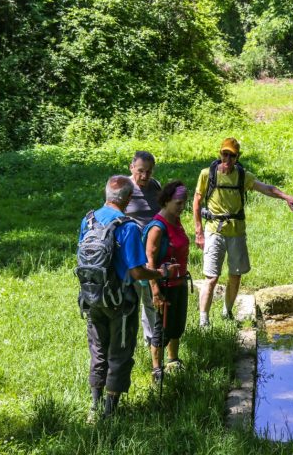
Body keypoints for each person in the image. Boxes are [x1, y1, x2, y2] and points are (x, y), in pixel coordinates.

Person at [79, 175, 171, 419]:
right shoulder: (128, 227)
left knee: (98, 350)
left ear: (107, 194)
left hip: (92, 296)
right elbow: (137, 271)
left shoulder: (88, 221)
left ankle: (94, 406)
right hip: (120, 301)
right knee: (119, 352)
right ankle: (110, 412)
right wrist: (159, 273)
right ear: (128, 199)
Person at [192, 137, 293, 327]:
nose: (227, 159)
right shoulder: (207, 174)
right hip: (214, 231)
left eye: (232, 156)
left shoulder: (243, 176)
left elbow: (267, 188)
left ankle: (227, 312)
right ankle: (204, 321)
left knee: (235, 275)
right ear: (220, 154)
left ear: (237, 157)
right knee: (211, 278)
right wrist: (199, 232)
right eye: (224, 154)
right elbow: (196, 201)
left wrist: (287, 197)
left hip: (236, 231)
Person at [143, 180, 190, 383]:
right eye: (178, 203)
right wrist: (155, 291)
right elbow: (149, 262)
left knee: (177, 325)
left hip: (179, 282)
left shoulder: (176, 221)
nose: (182, 207)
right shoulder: (157, 227)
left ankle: (173, 360)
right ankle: (157, 370)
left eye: (184, 203)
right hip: (164, 286)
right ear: (166, 201)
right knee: (161, 329)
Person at [125, 151, 161, 348]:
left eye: (149, 171)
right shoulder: (123, 187)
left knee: (150, 297)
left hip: (152, 252)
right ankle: (127, 341)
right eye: (140, 171)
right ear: (131, 168)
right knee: (130, 299)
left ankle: (151, 341)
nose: (145, 175)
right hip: (131, 253)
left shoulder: (155, 186)